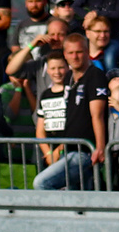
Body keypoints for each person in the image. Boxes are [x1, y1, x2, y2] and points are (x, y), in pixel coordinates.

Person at [32, 35, 110, 189]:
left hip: (84, 150)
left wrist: (100, 147)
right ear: (65, 54)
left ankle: (57, 212)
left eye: (79, 52)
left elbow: (97, 115)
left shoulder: (95, 75)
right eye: (71, 53)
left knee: (41, 183)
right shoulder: (69, 78)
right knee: (79, 200)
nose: (75, 56)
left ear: (87, 52)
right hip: (68, 149)